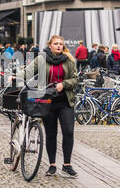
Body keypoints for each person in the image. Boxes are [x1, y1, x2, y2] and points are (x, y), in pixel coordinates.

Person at [16, 35, 79, 178]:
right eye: (56, 44)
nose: (58, 46)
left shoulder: (69, 60)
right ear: (50, 45)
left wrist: (64, 84)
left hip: (65, 101)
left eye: (61, 44)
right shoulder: (42, 59)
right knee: (51, 134)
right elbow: (28, 72)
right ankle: (52, 165)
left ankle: (67, 165)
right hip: (47, 101)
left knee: (68, 131)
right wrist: (15, 76)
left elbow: (75, 79)